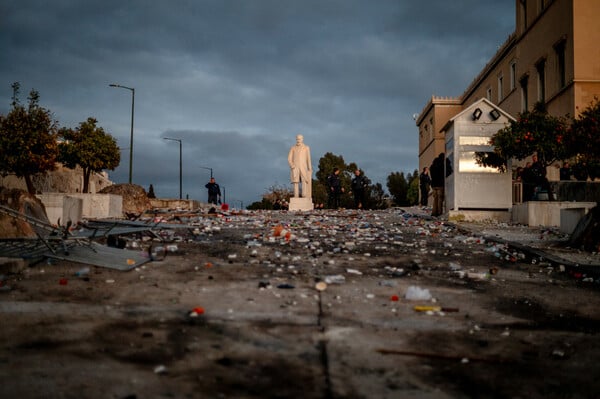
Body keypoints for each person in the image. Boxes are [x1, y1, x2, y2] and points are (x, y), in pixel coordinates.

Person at [288, 134, 312, 198]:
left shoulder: (306, 147)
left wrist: (310, 167)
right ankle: (296, 195)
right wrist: (292, 165)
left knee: (304, 180)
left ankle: (304, 194)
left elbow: (308, 158)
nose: (298, 140)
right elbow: (289, 158)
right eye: (297, 139)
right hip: (295, 167)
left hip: (303, 166)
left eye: (300, 139)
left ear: (302, 139)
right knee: (296, 181)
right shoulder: (293, 148)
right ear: (296, 139)